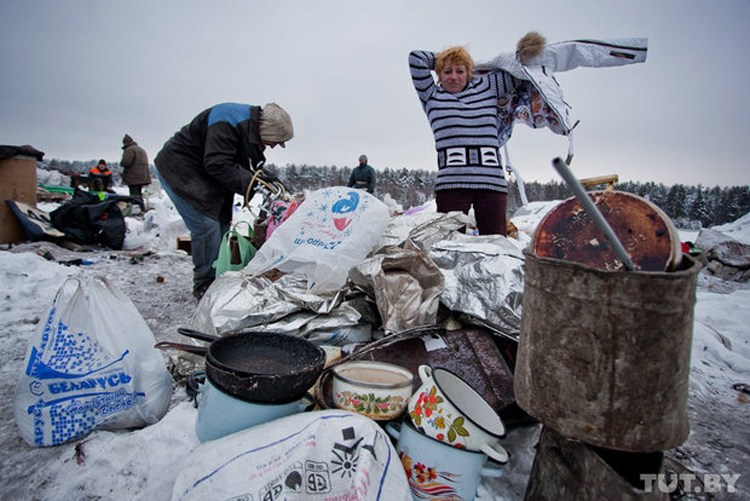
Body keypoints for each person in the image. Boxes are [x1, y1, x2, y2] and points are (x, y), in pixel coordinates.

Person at [154, 102, 293, 300]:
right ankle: (205, 284)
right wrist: (252, 184)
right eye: (274, 141)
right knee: (206, 225)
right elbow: (217, 163)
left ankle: (219, 276)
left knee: (222, 223)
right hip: (180, 169)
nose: (272, 146)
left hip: (204, 175)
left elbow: (244, 166)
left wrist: (264, 178)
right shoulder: (228, 118)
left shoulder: (249, 132)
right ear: (268, 130)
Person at [408, 46, 522, 236]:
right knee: (449, 244)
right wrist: (444, 58)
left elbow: (519, 71)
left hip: (491, 183)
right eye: (447, 71)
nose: (454, 76)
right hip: (452, 184)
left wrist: (528, 50)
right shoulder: (431, 95)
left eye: (460, 71)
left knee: (495, 243)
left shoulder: (487, 87)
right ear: (439, 74)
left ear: (469, 72)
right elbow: (415, 58)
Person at [119, 134, 151, 208]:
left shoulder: (129, 150)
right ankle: (141, 207)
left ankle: (136, 208)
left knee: (134, 194)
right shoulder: (141, 149)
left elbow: (126, 162)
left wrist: (121, 163)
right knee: (138, 193)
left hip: (133, 176)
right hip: (143, 175)